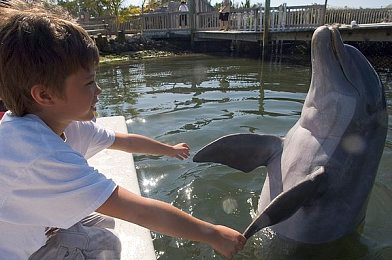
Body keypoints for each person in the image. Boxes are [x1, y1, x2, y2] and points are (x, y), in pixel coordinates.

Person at [0, 1, 246, 259]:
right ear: (45, 95)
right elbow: (139, 211)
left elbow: (124, 141)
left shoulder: (67, 126)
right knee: (104, 244)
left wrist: (167, 149)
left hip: (33, 227)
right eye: (89, 82)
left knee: (97, 220)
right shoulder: (38, 153)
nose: (99, 90)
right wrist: (213, 234)